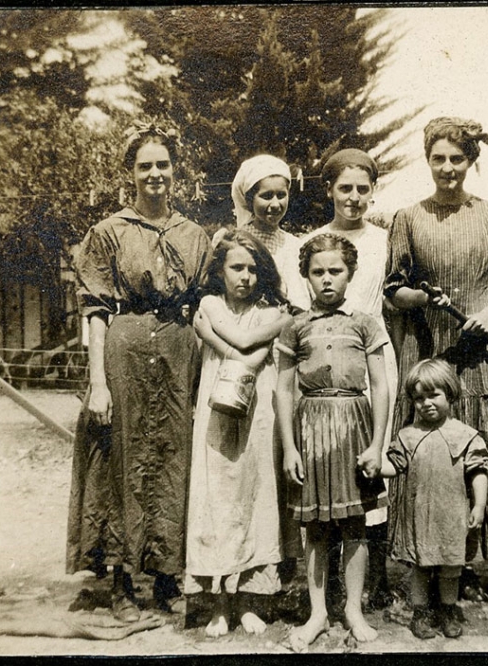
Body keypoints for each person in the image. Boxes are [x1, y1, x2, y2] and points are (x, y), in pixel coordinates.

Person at [67, 122, 212, 622]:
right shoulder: (107, 233)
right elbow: (95, 314)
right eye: (144, 165)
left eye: (162, 164)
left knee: (172, 459)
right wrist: (98, 383)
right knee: (122, 463)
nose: (155, 174)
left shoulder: (195, 236)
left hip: (177, 355)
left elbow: (205, 306)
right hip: (124, 354)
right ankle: (124, 585)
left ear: (176, 170)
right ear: (130, 173)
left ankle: (168, 579)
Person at [384, 116, 488, 600]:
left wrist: (487, 313)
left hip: (478, 357)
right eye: (438, 159)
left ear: (472, 161)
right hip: (429, 357)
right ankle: (427, 566)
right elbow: (392, 291)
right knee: (430, 462)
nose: (448, 168)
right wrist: (424, 299)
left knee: (475, 459)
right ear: (427, 160)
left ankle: (467, 566)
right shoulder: (407, 218)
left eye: (457, 159)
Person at [276, 233, 390, 649]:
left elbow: (380, 385)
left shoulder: (365, 323)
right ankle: (318, 612)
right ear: (305, 275)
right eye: (317, 271)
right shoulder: (295, 326)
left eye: (335, 271)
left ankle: (353, 609)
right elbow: (284, 390)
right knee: (317, 528)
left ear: (351, 273)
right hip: (311, 432)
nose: (327, 280)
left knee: (354, 523)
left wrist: (377, 445)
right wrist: (290, 446)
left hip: (354, 428)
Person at [301, 148, 397, 611]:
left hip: (372, 355)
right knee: (326, 477)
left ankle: (373, 583)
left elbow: (394, 296)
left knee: (369, 474)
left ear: (372, 191)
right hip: (324, 368)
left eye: (363, 189)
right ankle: (327, 592)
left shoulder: (386, 239)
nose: (354, 198)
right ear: (329, 190)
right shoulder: (315, 243)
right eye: (345, 188)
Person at [184, 229, 292, 636]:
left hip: (256, 411)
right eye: (236, 267)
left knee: (255, 496)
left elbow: (250, 348)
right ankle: (219, 603)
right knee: (216, 498)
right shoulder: (209, 302)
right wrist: (209, 328)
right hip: (215, 409)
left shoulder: (270, 313)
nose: (245, 276)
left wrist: (208, 335)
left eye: (252, 268)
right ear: (220, 270)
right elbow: (242, 346)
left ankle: (249, 599)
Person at [379, 359, 488, 640]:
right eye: (419, 398)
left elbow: (478, 472)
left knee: (451, 568)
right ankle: (420, 613)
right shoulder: (408, 435)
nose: (426, 403)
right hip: (419, 516)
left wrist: (479, 504)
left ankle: (448, 610)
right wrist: (375, 467)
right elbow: (394, 467)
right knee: (419, 566)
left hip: (451, 514)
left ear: (450, 393)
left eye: (434, 395)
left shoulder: (465, 435)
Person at [214, 154, 311, 312]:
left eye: (281, 195)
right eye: (266, 196)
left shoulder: (295, 246)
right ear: (250, 199)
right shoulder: (234, 241)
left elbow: (301, 299)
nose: (275, 204)